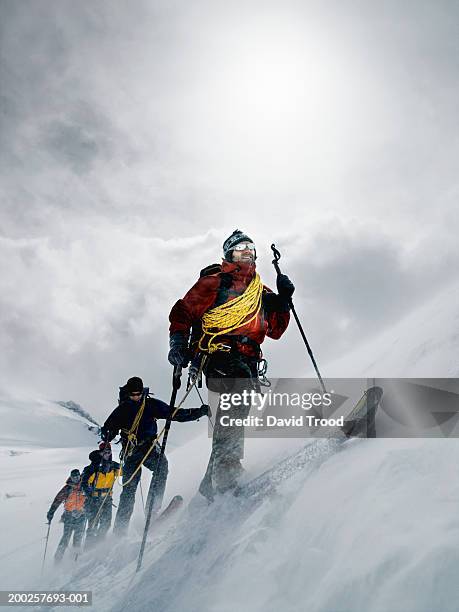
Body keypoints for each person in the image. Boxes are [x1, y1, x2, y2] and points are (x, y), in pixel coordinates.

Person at [168, 229, 293, 498]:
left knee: (234, 410)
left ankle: (210, 484)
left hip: (248, 359)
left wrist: (284, 301)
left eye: (250, 248)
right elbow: (183, 312)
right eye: (240, 249)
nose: (246, 252)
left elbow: (276, 331)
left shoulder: (260, 291)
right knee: (236, 404)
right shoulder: (214, 283)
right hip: (219, 355)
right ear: (228, 254)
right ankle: (226, 474)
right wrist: (177, 344)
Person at [101, 376, 209, 535]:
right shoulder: (121, 410)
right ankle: (120, 529)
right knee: (129, 490)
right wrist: (107, 435)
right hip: (131, 452)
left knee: (161, 467)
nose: (136, 397)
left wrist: (199, 412)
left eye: (138, 394)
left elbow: (174, 414)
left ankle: (152, 510)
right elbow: (108, 429)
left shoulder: (151, 405)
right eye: (133, 395)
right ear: (128, 393)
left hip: (149, 447)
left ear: (142, 392)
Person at [81, 442, 120, 547]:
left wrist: (120, 466)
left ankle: (99, 544)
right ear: (100, 453)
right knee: (93, 524)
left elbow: (124, 472)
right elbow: (84, 483)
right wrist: (90, 495)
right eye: (105, 452)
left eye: (109, 452)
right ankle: (88, 547)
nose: (107, 454)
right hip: (94, 500)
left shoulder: (113, 467)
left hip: (107, 499)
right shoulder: (92, 468)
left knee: (106, 524)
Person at [46, 468, 86, 562]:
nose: (76, 479)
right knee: (65, 538)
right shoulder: (67, 488)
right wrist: (51, 512)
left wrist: (86, 510)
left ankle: (74, 559)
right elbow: (57, 500)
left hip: (81, 516)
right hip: (69, 516)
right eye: (74, 477)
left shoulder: (85, 486)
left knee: (78, 538)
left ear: (79, 476)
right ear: (71, 477)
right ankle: (58, 559)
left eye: (77, 476)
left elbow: (89, 500)